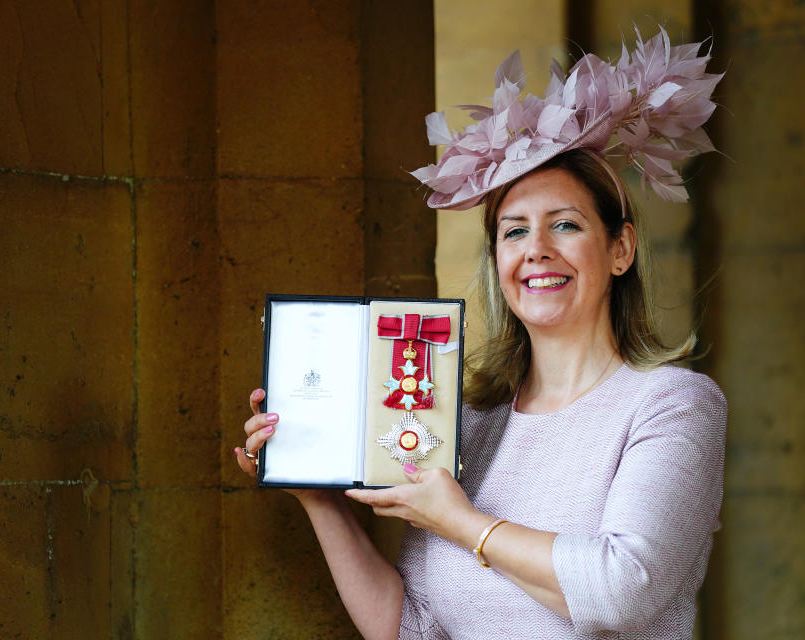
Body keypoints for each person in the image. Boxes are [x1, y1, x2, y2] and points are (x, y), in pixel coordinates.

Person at [235, 29, 726, 640]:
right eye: (514, 232)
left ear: (620, 248)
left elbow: (618, 593)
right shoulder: (470, 422)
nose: (537, 251)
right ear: (497, 258)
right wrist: (315, 495)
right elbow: (407, 627)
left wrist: (462, 524)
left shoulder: (672, 406)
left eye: (565, 225)